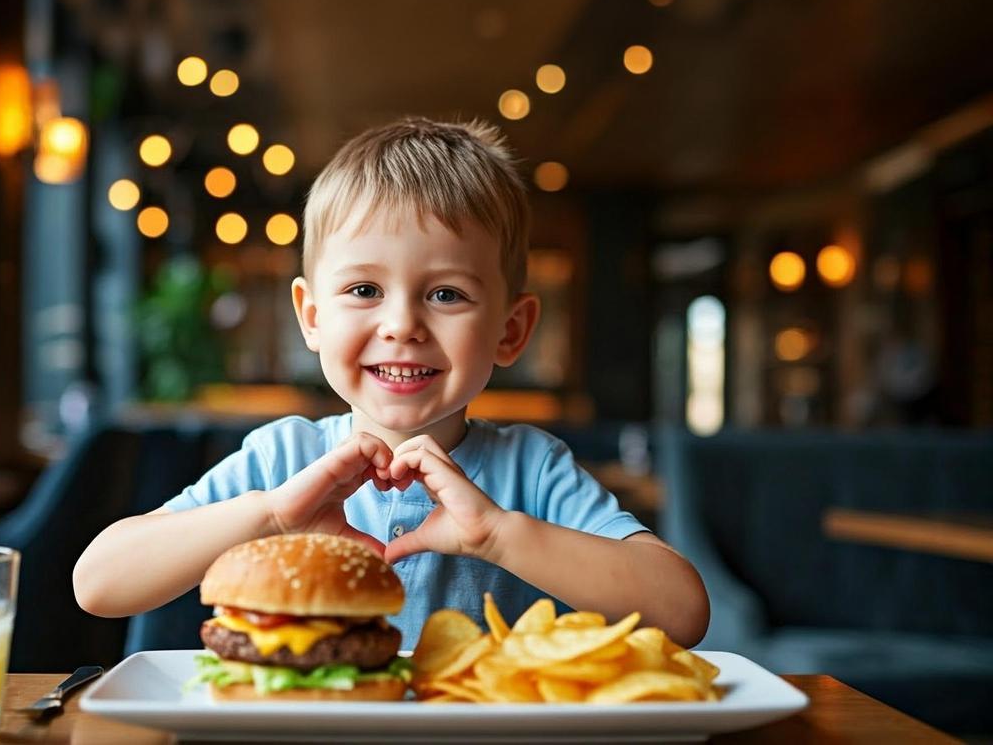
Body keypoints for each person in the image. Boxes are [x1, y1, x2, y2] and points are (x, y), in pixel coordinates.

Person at [73, 118, 710, 648]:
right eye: (364, 289)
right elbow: (98, 583)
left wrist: (497, 534)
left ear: (511, 330)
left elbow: (683, 612)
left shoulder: (533, 471)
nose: (402, 325)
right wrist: (270, 514)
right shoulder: (281, 460)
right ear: (312, 318)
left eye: (446, 294)